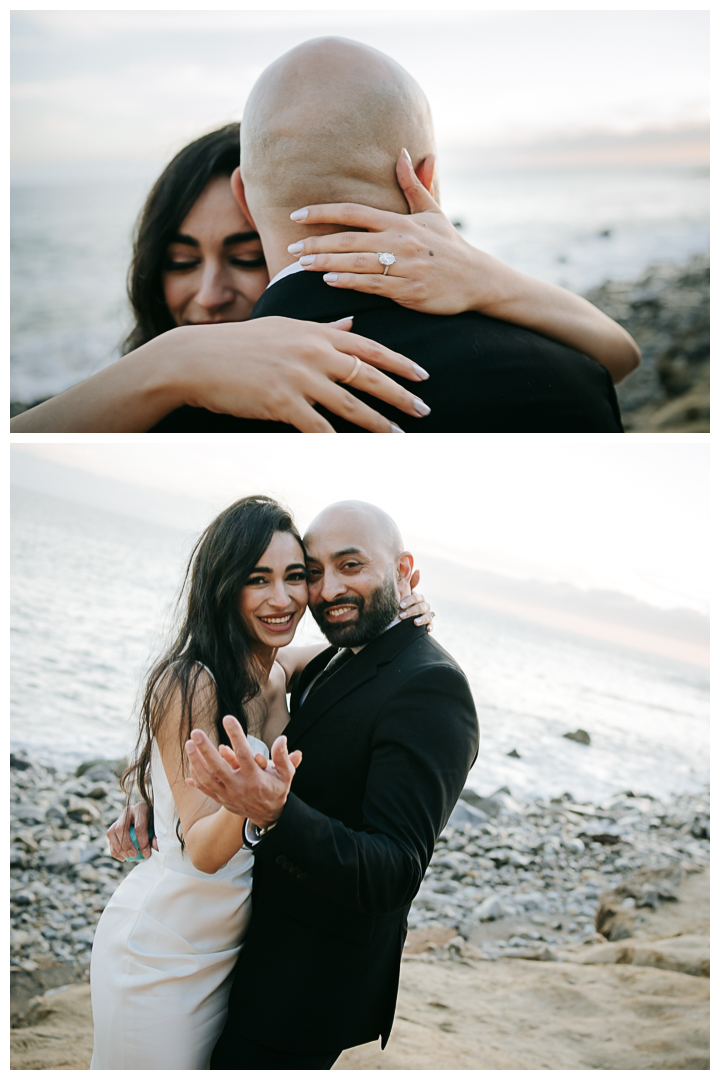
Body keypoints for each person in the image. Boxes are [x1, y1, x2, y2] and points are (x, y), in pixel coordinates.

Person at [11, 112, 639, 434]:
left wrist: (483, 274)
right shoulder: (144, 398)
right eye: (180, 262)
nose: (207, 295)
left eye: (247, 256)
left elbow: (618, 355)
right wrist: (170, 362)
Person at [91, 495, 432, 1069]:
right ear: (225, 586)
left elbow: (355, 652)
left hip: (235, 951)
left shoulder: (280, 670)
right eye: (258, 580)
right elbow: (201, 849)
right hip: (166, 944)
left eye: (295, 577)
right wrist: (251, 804)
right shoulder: (189, 681)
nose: (284, 599)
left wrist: (401, 610)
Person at [179, 36, 631, 432]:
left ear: (243, 196)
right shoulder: (574, 378)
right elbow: (623, 357)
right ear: (426, 178)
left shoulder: (170, 404)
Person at [182, 500, 480, 1068]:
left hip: (303, 986)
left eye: (351, 566)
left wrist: (276, 811)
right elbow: (219, 696)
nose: (326, 589)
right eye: (311, 572)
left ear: (402, 569)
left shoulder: (430, 687)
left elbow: (393, 871)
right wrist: (148, 791)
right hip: (243, 950)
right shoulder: (339, 656)